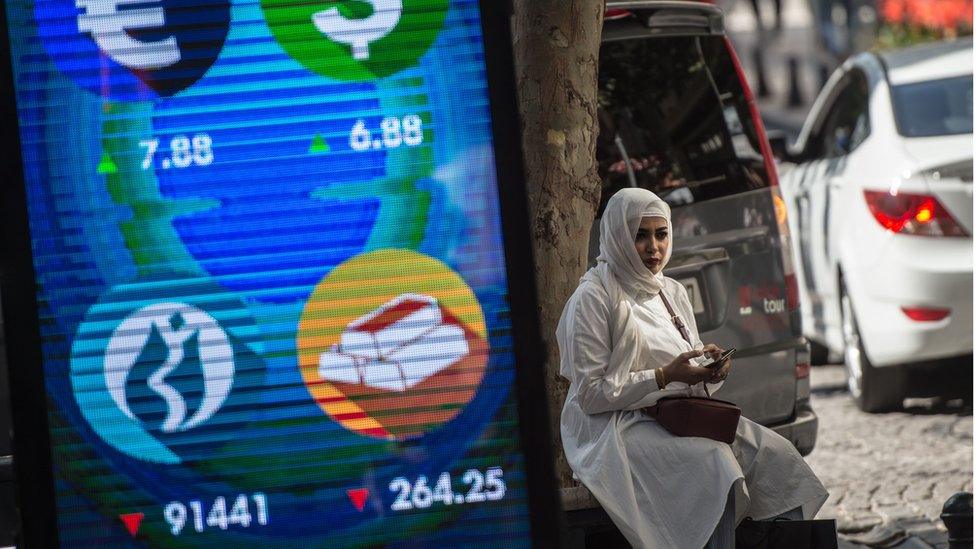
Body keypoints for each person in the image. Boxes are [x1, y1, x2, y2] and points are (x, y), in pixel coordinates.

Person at [556, 188, 828, 548]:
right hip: (614, 429)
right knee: (716, 469)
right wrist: (665, 376)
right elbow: (590, 395)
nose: (653, 247)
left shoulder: (669, 290)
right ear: (618, 236)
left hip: (674, 415)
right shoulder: (593, 298)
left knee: (778, 457)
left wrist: (707, 368)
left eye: (661, 234)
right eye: (640, 235)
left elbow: (683, 368)